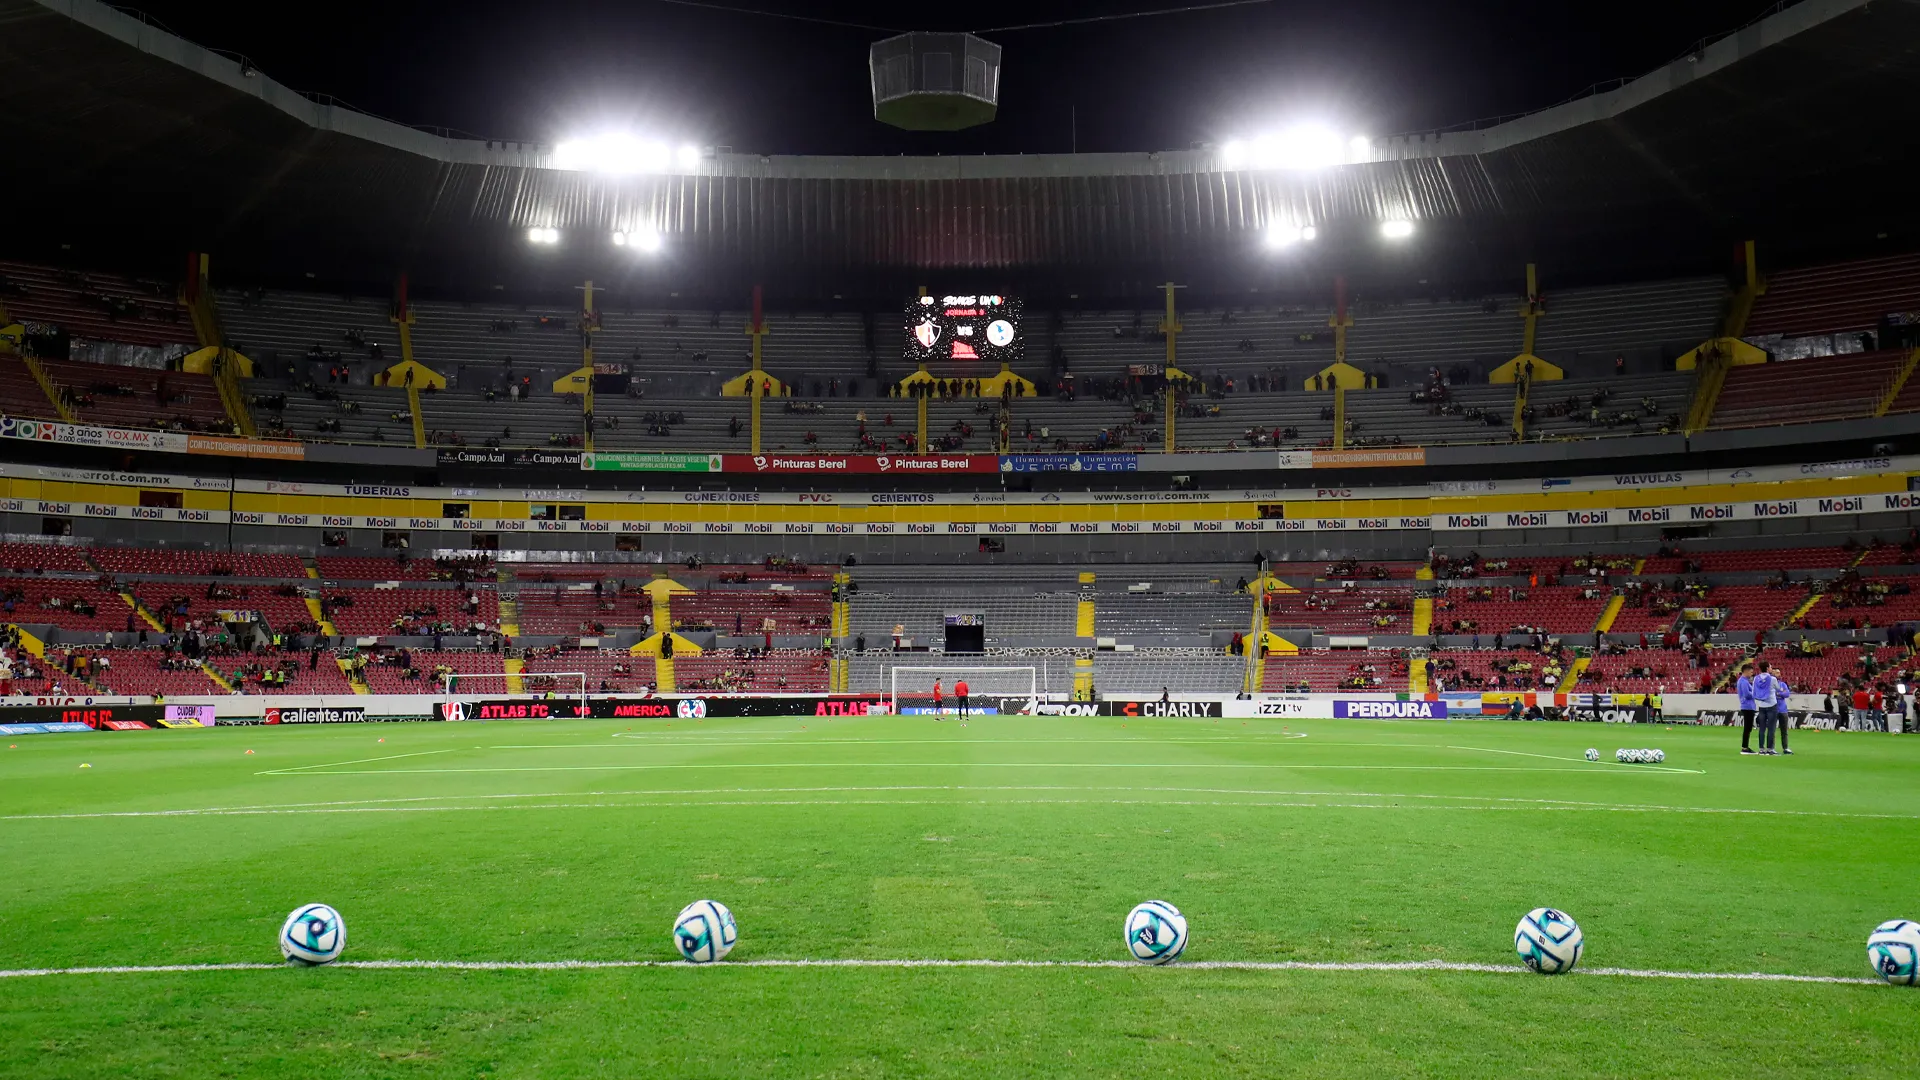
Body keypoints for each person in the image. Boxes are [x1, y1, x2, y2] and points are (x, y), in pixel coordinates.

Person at [1752, 660, 1779, 755]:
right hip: (1771, 704)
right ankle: (1770, 749)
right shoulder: (1772, 679)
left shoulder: (1756, 678)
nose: (1771, 668)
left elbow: (1753, 691)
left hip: (1761, 705)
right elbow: (1778, 689)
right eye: (1770, 667)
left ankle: (1761, 748)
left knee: (1762, 728)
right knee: (1771, 728)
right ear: (1767, 668)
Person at [1736, 662, 1758, 755]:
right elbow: (1747, 694)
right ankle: (1745, 747)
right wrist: (1755, 694)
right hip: (1748, 706)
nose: (1752, 674)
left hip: (1747, 706)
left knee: (1748, 728)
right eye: (1751, 672)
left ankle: (1745, 746)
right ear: (1746, 671)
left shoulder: (1742, 681)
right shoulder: (1744, 682)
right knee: (1747, 728)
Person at [1773, 676, 1793, 756]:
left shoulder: (1783, 684)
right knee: (1772, 731)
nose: (1778, 674)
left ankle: (1785, 748)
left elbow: (1787, 694)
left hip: (1783, 710)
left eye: (1779, 672)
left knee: (1784, 731)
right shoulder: (1771, 685)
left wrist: (1778, 693)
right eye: (1776, 672)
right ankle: (1771, 748)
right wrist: (1781, 693)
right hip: (1773, 710)